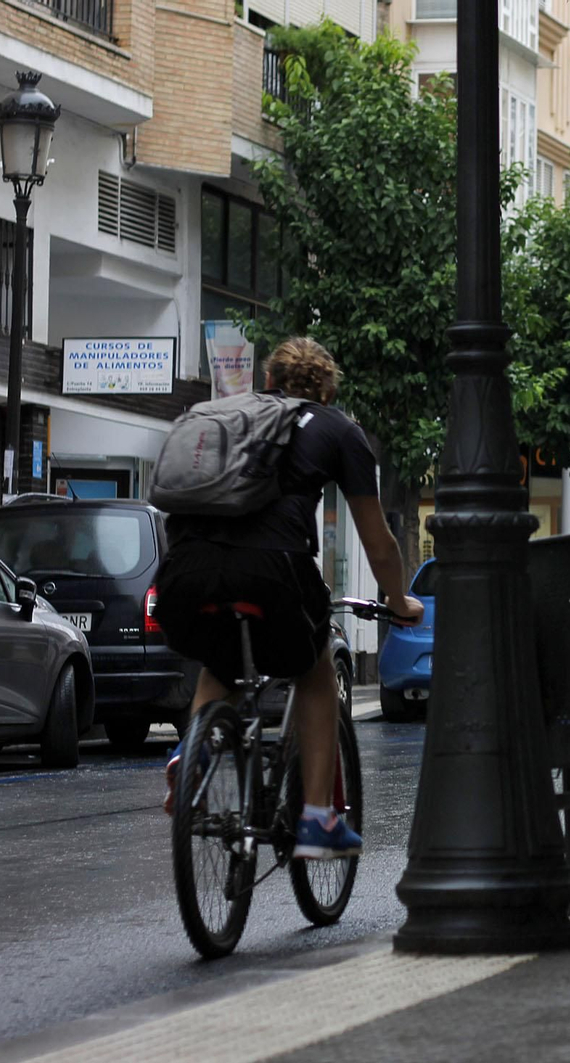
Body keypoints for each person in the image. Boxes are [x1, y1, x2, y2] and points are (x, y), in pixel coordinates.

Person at [155, 338, 423, 858]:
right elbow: (377, 541)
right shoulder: (337, 429)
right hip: (272, 571)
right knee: (316, 666)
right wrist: (399, 600)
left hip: (185, 572)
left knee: (221, 658)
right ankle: (318, 819)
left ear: (270, 380)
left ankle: (192, 755)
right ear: (325, 390)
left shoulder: (224, 416)